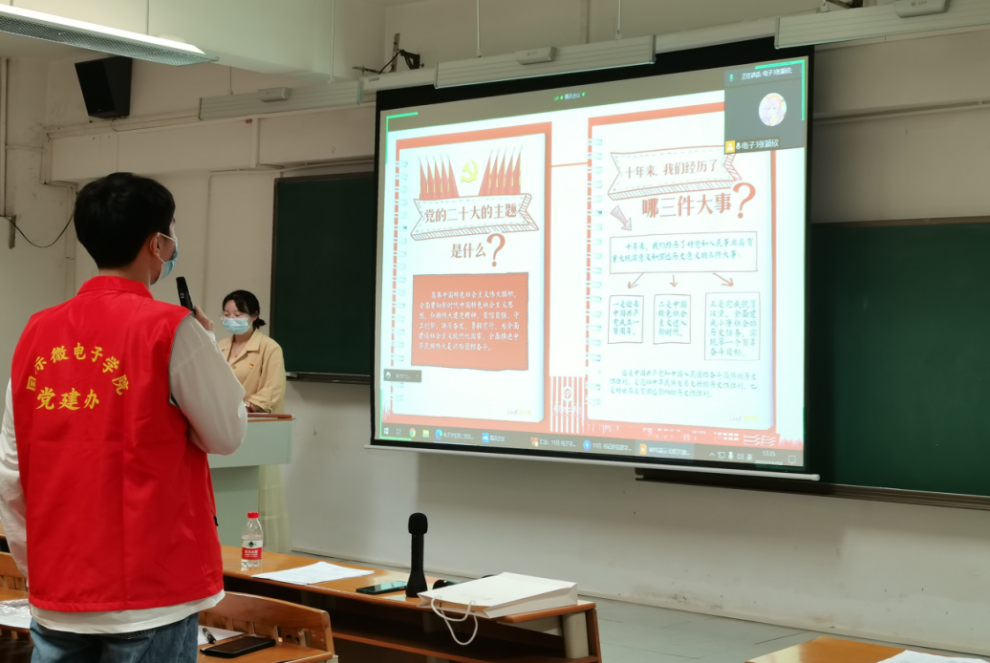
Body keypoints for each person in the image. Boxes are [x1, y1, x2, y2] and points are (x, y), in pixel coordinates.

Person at [0, 172, 247, 662]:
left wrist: (37, 568)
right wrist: (204, 344)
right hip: (152, 594)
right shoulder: (173, 330)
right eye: (171, 232)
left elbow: (12, 469)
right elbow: (227, 434)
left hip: (59, 592)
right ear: (157, 243)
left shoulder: (36, 332)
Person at [217, 291, 291, 553]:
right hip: (222, 428)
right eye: (227, 314)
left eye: (238, 314)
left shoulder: (269, 348)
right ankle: (225, 546)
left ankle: (260, 552)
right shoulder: (219, 346)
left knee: (256, 495)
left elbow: (273, 389)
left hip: (255, 430)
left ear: (254, 316)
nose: (231, 319)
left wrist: (246, 406)